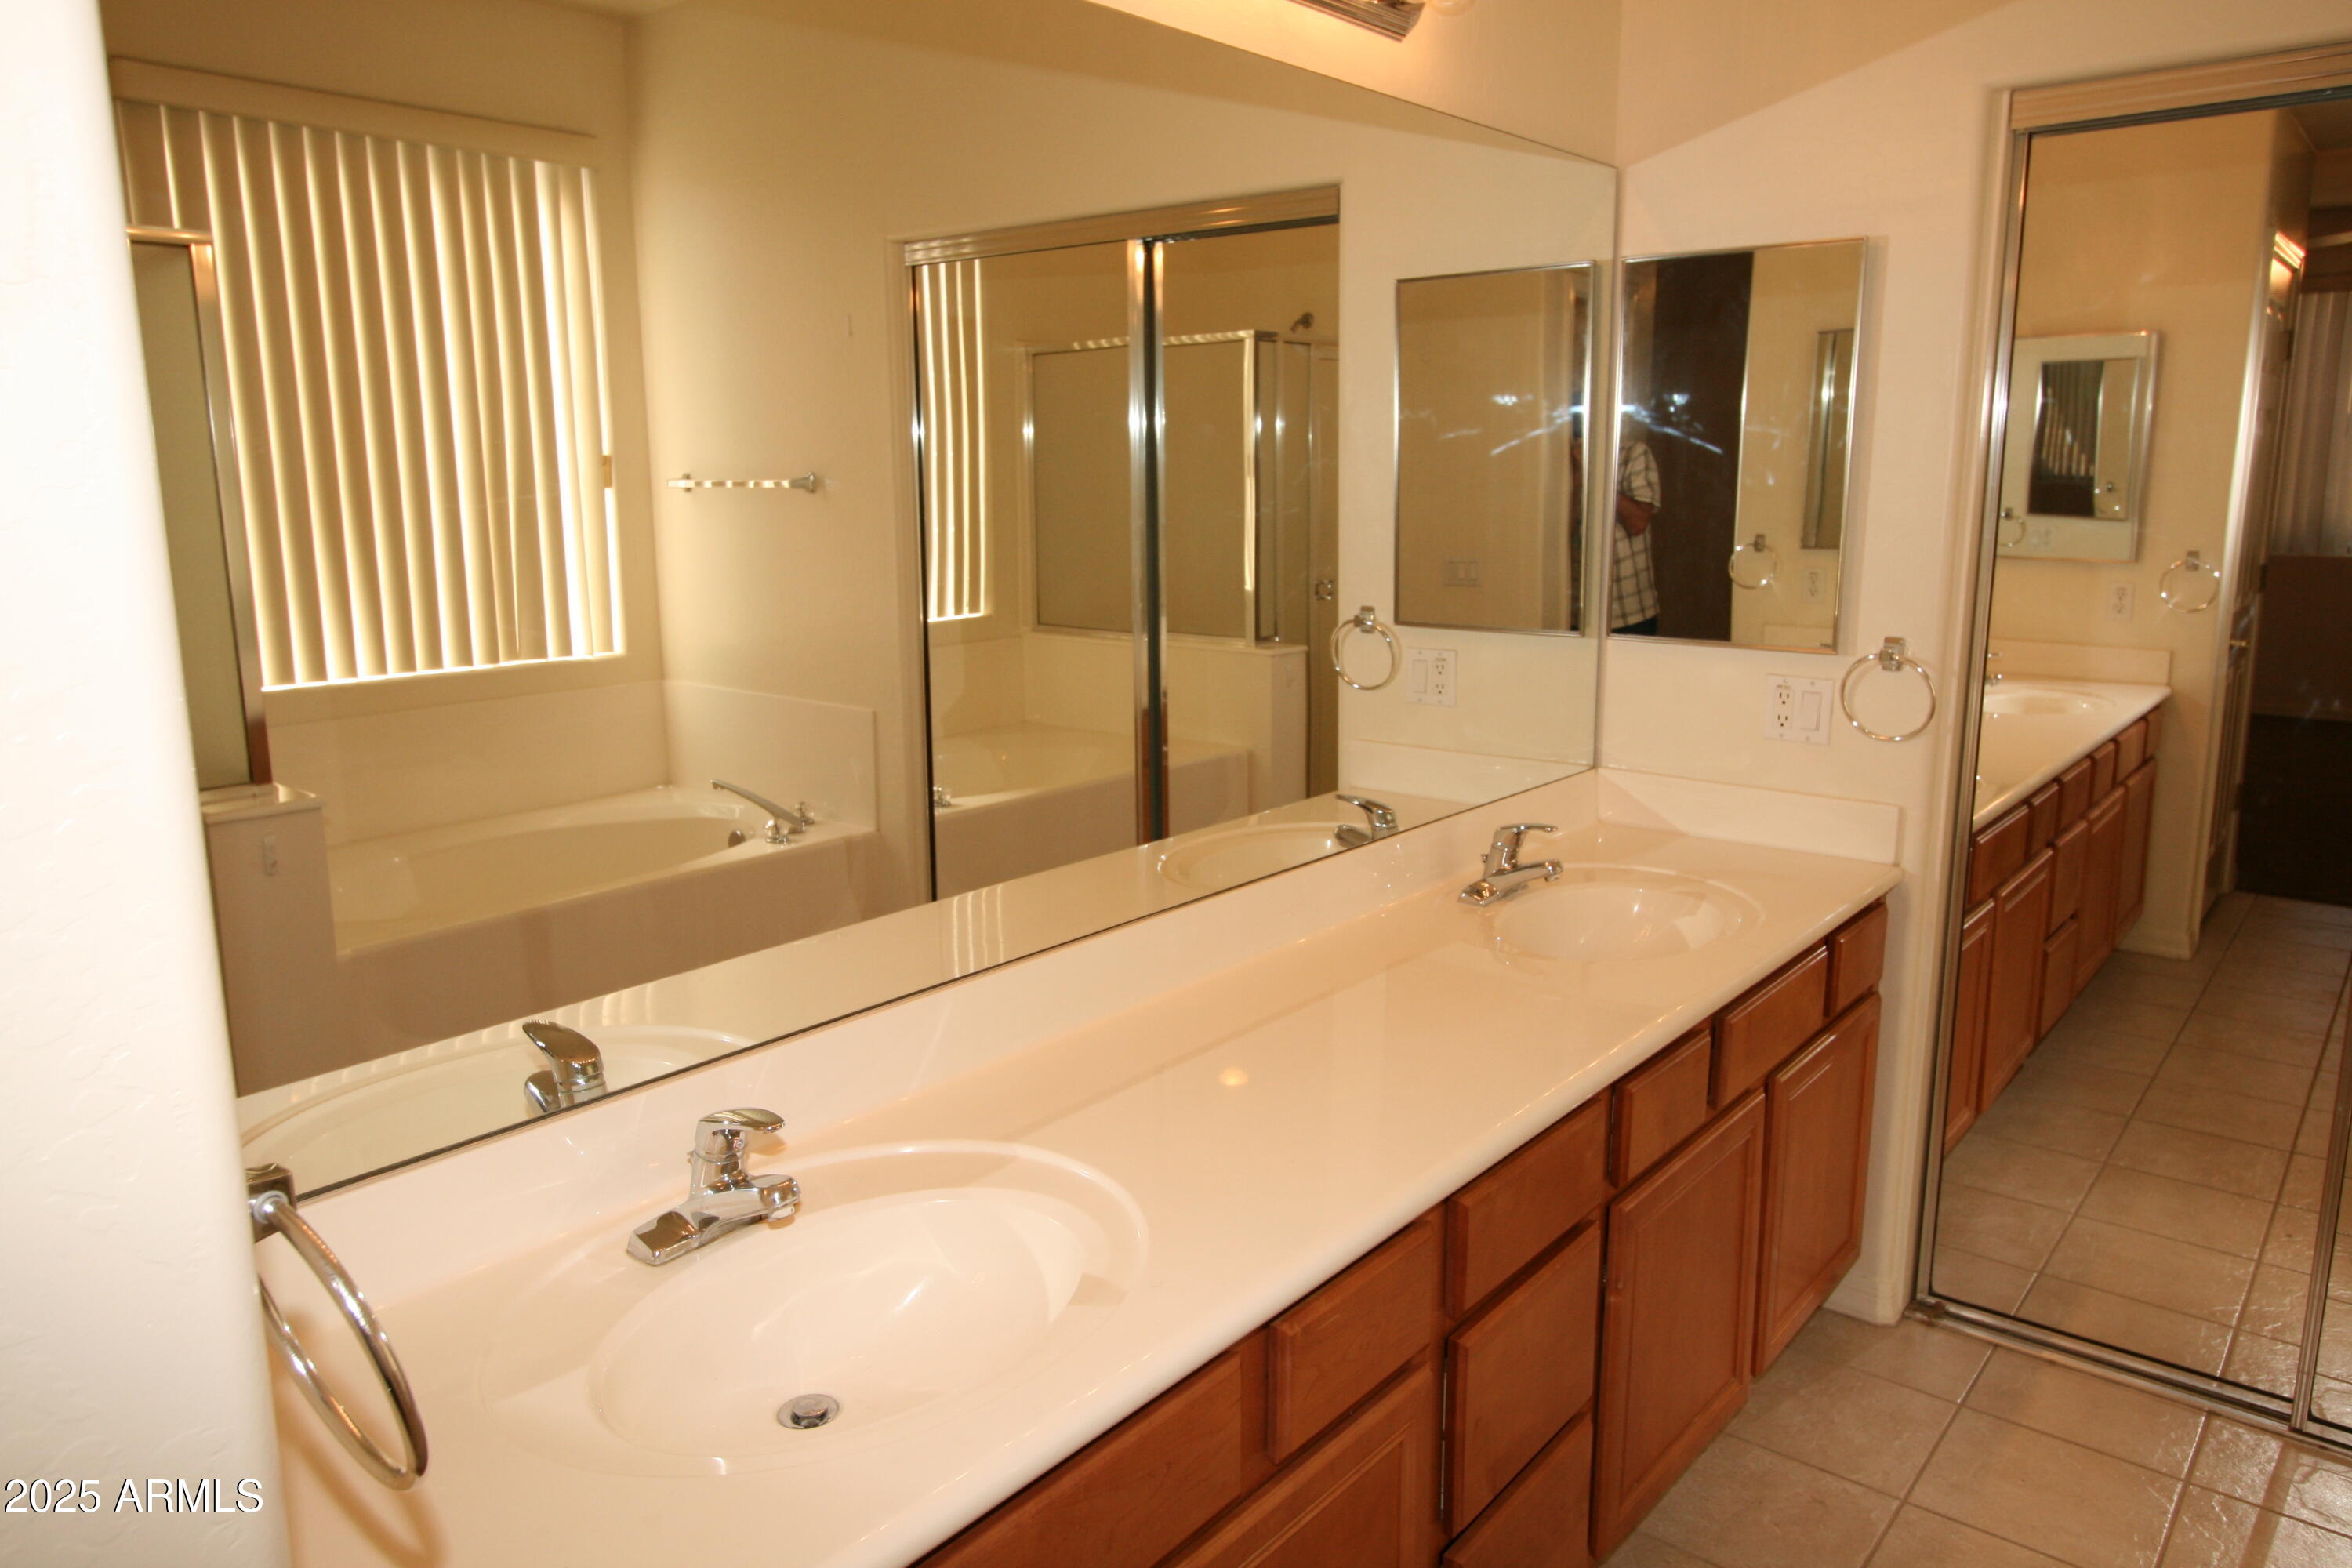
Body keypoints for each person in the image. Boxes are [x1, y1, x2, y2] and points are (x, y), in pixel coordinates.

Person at [1611, 436, 1661, 635]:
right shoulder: (1557, 456)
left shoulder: (1633, 453)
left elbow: (1638, 523)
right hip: (1572, 610)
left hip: (1630, 611)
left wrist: (1596, 475)